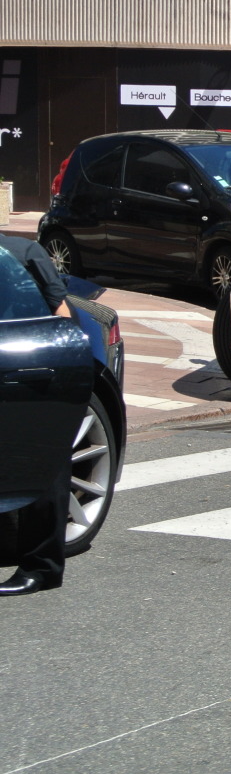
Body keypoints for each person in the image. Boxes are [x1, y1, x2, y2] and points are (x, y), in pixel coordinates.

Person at [0, 234, 73, 596]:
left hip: (24, 364)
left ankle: (42, 567)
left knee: (42, 465)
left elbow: (61, 314)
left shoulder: (21, 252)